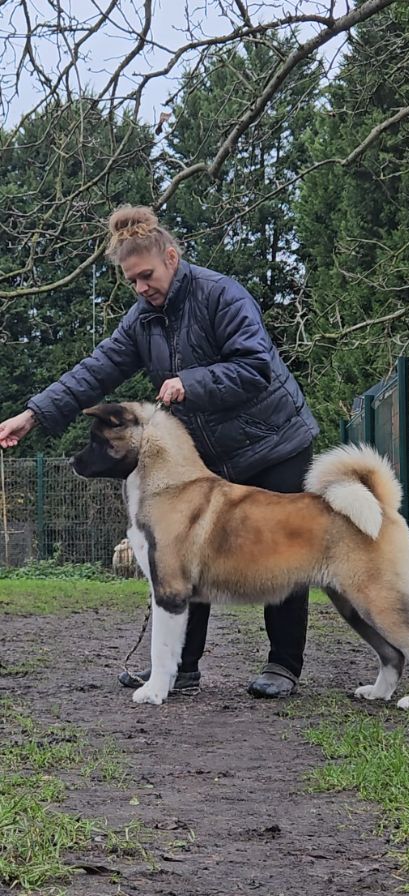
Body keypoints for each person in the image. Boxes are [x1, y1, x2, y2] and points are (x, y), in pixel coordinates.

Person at [0, 205, 319, 698]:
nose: (141, 287)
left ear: (171, 257)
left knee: (282, 552)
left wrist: (190, 382)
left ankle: (282, 664)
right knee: (182, 556)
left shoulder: (221, 294)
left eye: (146, 275)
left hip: (274, 443)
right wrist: (33, 414)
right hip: (207, 458)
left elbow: (255, 365)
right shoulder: (141, 321)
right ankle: (178, 670)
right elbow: (94, 371)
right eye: (131, 280)